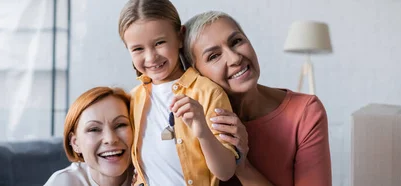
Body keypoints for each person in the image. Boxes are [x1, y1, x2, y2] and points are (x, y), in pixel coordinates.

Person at [183, 11, 333, 186]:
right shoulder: (189, 123)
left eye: (236, 41)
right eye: (214, 56)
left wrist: (241, 165)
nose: (235, 58)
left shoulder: (305, 112)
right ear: (194, 74)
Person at [118, 0, 240, 185]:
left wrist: (203, 132)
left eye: (159, 42)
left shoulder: (208, 93)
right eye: (138, 49)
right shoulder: (133, 99)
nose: (151, 57)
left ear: (180, 37)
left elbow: (225, 171)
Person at [44, 87, 133, 186]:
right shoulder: (63, 182)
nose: (110, 139)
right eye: (94, 129)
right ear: (75, 143)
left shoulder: (150, 173)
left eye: (120, 125)